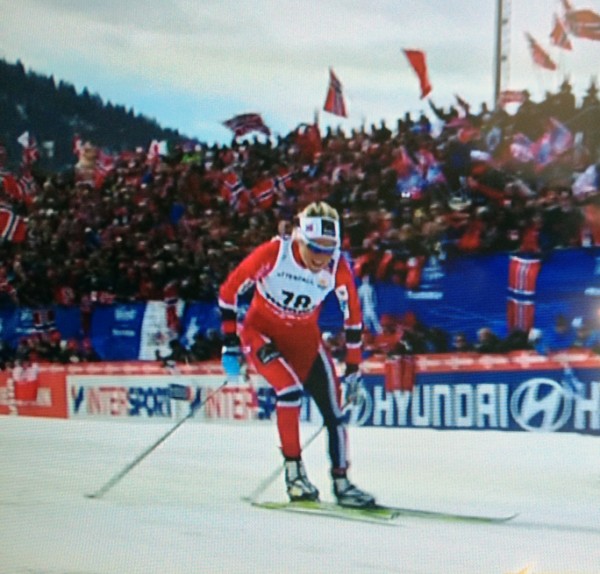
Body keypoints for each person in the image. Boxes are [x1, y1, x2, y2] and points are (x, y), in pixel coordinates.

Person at [218, 201, 375, 508]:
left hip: (305, 340)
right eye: (315, 248)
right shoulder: (274, 254)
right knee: (289, 391)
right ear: (300, 239)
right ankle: (294, 475)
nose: (321, 258)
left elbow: (353, 319)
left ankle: (342, 483)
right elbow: (229, 292)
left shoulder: (336, 266)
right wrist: (230, 343)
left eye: (329, 250)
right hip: (262, 334)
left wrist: (354, 368)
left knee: (335, 411)